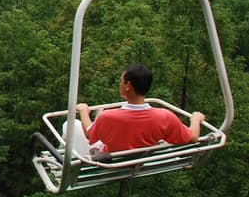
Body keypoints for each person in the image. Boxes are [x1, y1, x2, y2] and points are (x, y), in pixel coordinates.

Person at [75, 63, 205, 156]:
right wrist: (195, 119)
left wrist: (83, 111)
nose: (119, 84)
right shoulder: (164, 116)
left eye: (121, 81)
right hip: (139, 159)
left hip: (112, 160)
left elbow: (89, 134)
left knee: (69, 125)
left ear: (128, 85)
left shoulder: (108, 117)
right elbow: (193, 137)